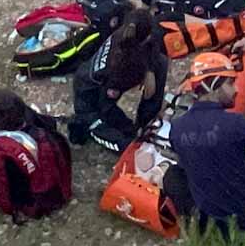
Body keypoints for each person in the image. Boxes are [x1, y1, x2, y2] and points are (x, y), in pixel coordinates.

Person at [169, 52, 245, 237]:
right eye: (230, 84)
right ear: (213, 87)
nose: (236, 90)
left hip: (210, 223)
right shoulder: (236, 124)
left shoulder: (176, 128)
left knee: (174, 174)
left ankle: (194, 226)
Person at [69, 8, 170, 154]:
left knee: (160, 63)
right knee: (124, 144)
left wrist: (150, 71)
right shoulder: (120, 69)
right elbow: (106, 106)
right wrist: (129, 128)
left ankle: (147, 121)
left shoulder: (129, 30)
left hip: (105, 81)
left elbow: (154, 43)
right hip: (89, 97)